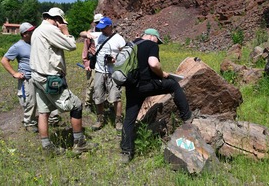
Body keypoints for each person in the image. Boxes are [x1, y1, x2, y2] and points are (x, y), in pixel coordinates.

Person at [30, 7, 97, 155]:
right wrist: (65, 31)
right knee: (77, 106)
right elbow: (71, 45)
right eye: (61, 22)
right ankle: (79, 143)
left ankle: (47, 147)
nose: (62, 25)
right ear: (57, 20)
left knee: (43, 112)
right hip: (50, 78)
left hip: (37, 76)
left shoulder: (38, 30)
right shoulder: (50, 29)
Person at [120, 28, 193, 163]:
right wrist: (162, 74)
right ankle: (187, 116)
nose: (157, 43)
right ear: (153, 37)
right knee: (173, 85)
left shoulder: (130, 44)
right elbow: (153, 64)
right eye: (158, 41)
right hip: (146, 84)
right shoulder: (151, 44)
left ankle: (126, 152)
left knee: (129, 119)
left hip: (131, 87)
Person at [0, 23, 38, 132]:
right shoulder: (18, 46)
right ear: (24, 34)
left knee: (41, 100)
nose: (32, 32)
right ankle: (29, 124)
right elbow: (4, 60)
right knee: (30, 102)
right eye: (30, 31)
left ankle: (44, 120)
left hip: (38, 76)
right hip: (27, 78)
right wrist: (14, 73)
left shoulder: (33, 43)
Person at [90, 17, 126, 132]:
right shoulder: (98, 35)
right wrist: (88, 34)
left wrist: (116, 59)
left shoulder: (119, 39)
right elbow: (83, 34)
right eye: (100, 28)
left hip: (113, 72)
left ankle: (118, 121)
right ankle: (100, 119)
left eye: (103, 28)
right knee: (98, 96)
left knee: (116, 97)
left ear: (110, 26)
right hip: (99, 71)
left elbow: (126, 55)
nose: (101, 30)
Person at [81, 13, 103, 112]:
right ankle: (88, 103)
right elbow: (85, 50)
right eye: (97, 23)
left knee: (104, 84)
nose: (99, 24)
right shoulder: (89, 34)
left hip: (102, 62)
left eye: (100, 22)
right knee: (91, 84)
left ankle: (104, 102)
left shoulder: (106, 33)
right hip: (92, 62)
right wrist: (86, 63)